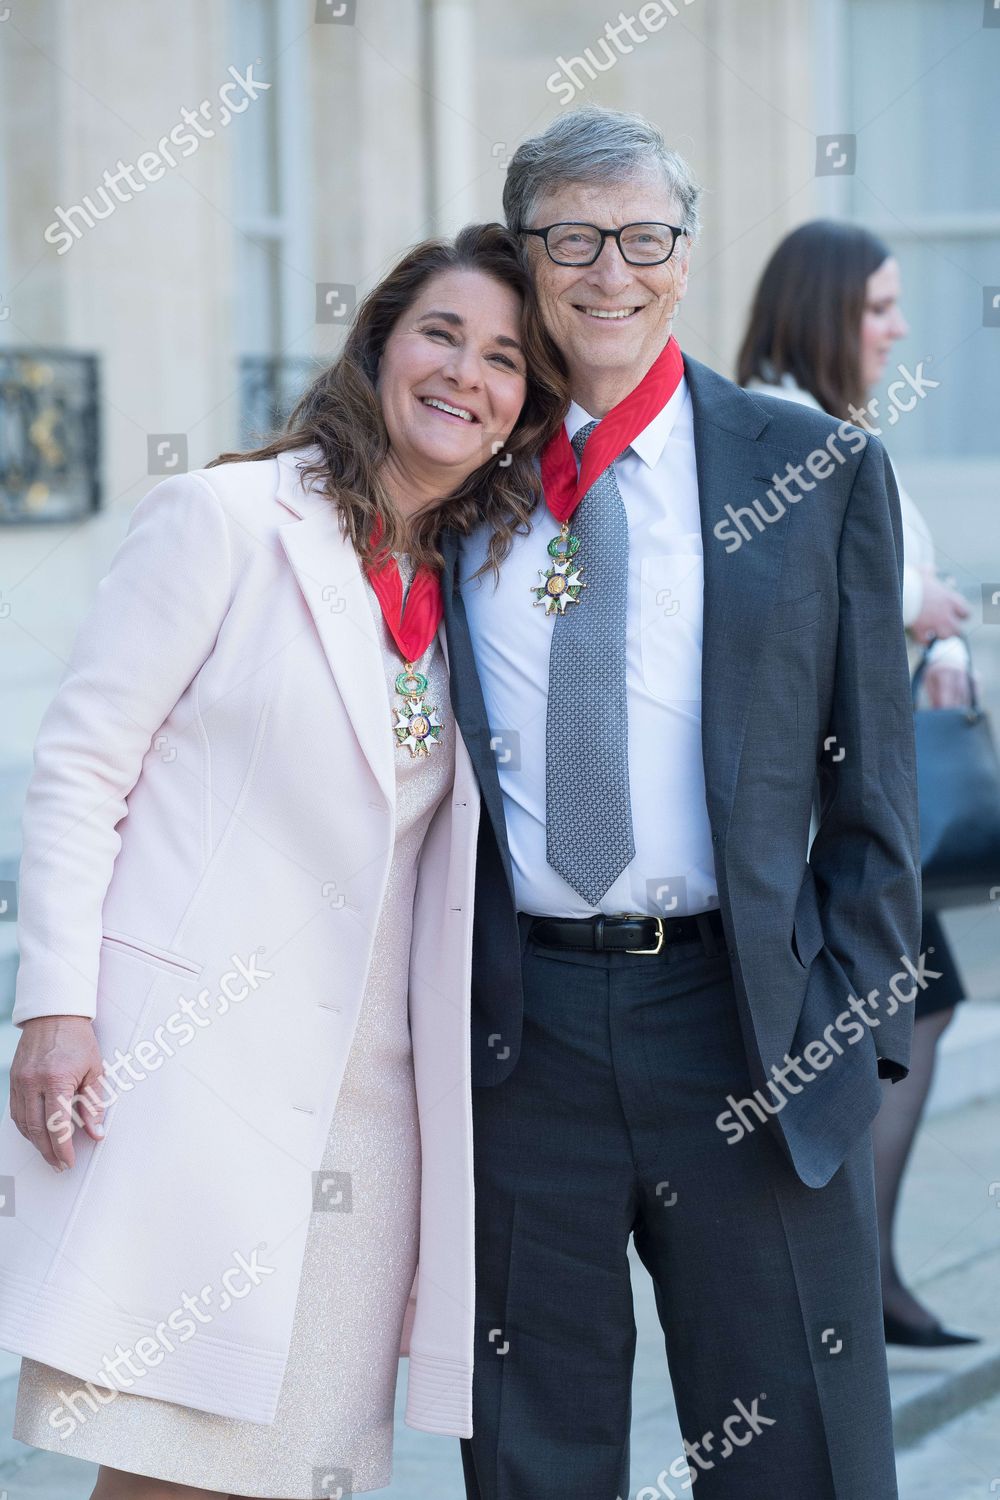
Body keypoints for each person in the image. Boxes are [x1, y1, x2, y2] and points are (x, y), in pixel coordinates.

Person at [0, 224, 564, 1500]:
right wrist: (55, 1007)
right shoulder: (225, 519)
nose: (465, 374)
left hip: (370, 1121)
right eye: (441, 334)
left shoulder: (473, 589)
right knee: (168, 1469)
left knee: (302, 1472)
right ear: (376, 346)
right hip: (192, 1077)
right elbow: (82, 767)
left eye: (504, 360)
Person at [441, 107, 921, 1499]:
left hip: (746, 1025)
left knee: (800, 1460)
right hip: (517, 1036)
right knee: (535, 1457)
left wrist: (852, 1027)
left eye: (643, 237)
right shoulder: (455, 478)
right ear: (525, 258)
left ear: (686, 258)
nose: (610, 271)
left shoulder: (812, 470)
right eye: (572, 239)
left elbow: (874, 787)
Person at [737, 217, 978, 1347]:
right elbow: (798, 608)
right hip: (823, 810)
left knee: (913, 1000)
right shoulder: (781, 429)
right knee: (898, 1003)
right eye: (878, 308)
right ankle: (850, 1271)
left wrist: (942, 640)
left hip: (856, 795)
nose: (896, 328)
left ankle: (863, 1266)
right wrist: (915, 610)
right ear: (826, 309)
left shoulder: (828, 425)